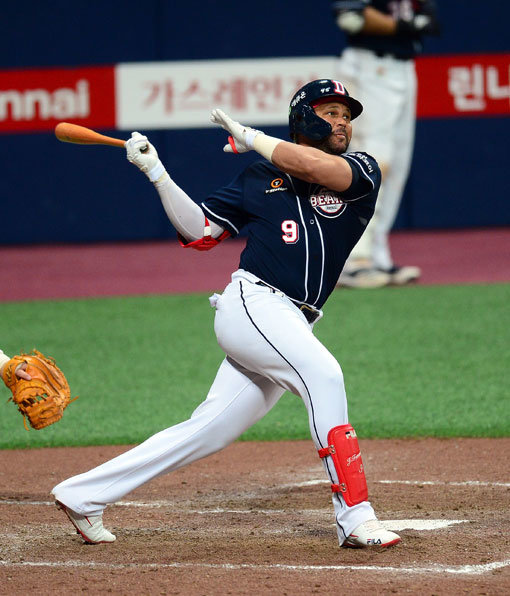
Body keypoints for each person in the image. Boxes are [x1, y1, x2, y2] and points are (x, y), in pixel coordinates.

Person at [51, 79, 401, 549]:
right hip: (255, 304)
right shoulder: (258, 178)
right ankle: (356, 517)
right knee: (325, 375)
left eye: (346, 116)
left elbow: (312, 165)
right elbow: (200, 233)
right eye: (331, 112)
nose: (342, 122)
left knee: (209, 430)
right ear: (303, 117)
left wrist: (253, 135)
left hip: (293, 321)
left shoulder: (361, 169)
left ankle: (83, 494)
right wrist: (156, 172)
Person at [332, 0, 440, 288]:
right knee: (371, 162)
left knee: (397, 166)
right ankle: (354, 259)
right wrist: (403, 26)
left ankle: (377, 255)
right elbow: (349, 16)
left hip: (403, 67)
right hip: (370, 65)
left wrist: (416, 21)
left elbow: (429, 20)